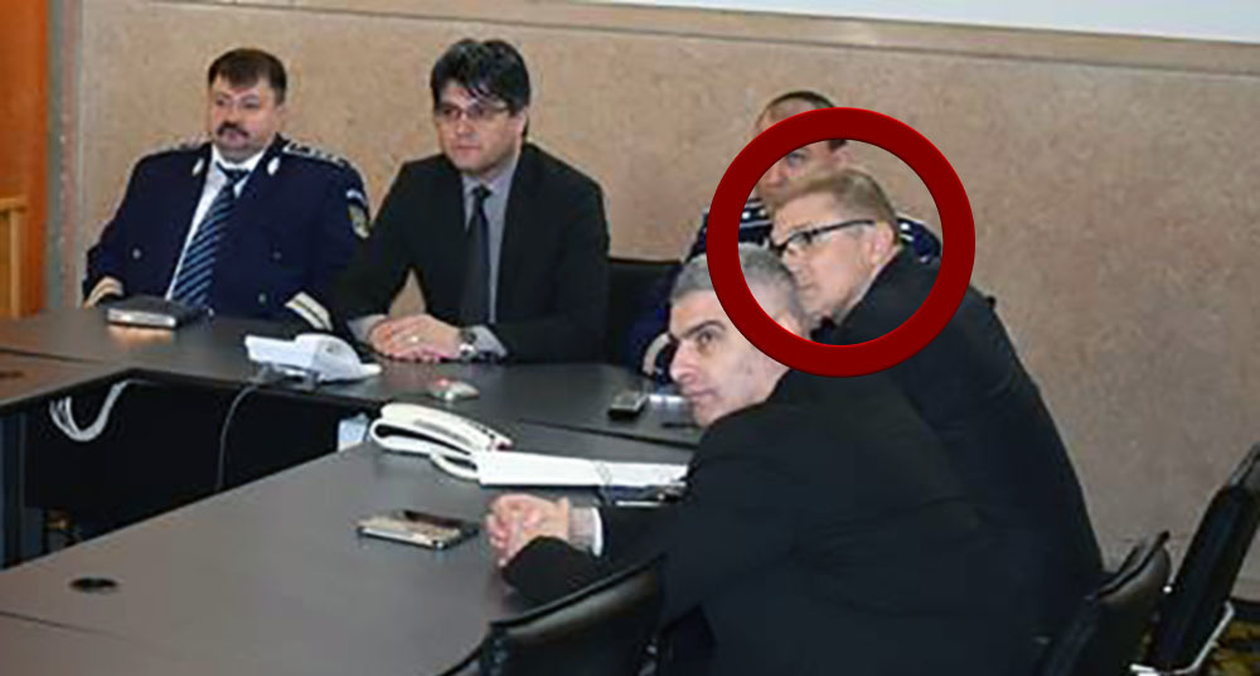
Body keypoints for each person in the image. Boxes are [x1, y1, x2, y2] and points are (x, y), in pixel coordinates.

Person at [487, 247, 1038, 676]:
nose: (678, 367)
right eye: (678, 343)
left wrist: (532, 553)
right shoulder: (850, 392)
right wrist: (582, 526)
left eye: (707, 339)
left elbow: (630, 615)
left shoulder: (760, 440)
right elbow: (713, 530)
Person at [770, 167, 1103, 640]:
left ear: (875, 242)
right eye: (782, 249)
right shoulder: (932, 291)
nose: (791, 263)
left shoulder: (882, 328)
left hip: (1001, 619)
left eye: (808, 239)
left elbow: (800, 460)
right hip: (1055, 590)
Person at [334, 38, 610, 363]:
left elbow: (582, 329)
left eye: (480, 113)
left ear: (520, 118)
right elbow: (354, 292)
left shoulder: (570, 198)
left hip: (533, 380)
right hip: (441, 381)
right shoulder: (419, 185)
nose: (461, 129)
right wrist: (378, 331)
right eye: (449, 113)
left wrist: (466, 342)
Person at [627, 90, 940, 375]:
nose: (772, 177)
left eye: (795, 158)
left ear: (839, 162)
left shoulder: (902, 241)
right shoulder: (732, 230)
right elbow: (659, 331)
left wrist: (753, 368)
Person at [83, 48, 368, 330]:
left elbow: (342, 283)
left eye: (250, 106)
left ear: (280, 114)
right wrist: (110, 316)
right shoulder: (159, 174)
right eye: (221, 102)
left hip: (253, 346)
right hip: (140, 338)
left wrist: (266, 341)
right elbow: (109, 256)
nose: (232, 117)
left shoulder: (321, 184)